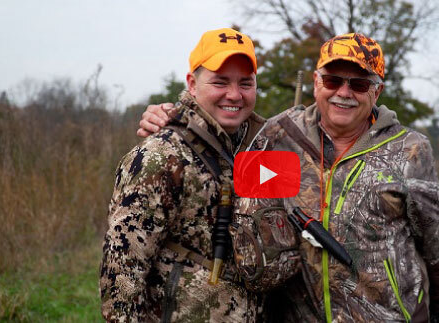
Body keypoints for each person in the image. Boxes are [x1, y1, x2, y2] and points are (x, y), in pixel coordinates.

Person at [139, 33, 439, 322]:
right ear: (315, 82)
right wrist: (174, 118)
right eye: (332, 80)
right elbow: (221, 138)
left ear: (376, 91)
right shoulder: (280, 135)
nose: (344, 92)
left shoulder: (408, 151)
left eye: (359, 83)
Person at [99, 28, 299, 322]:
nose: (234, 94)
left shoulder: (264, 149)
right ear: (192, 84)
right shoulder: (160, 157)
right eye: (220, 82)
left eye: (246, 83)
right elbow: (122, 271)